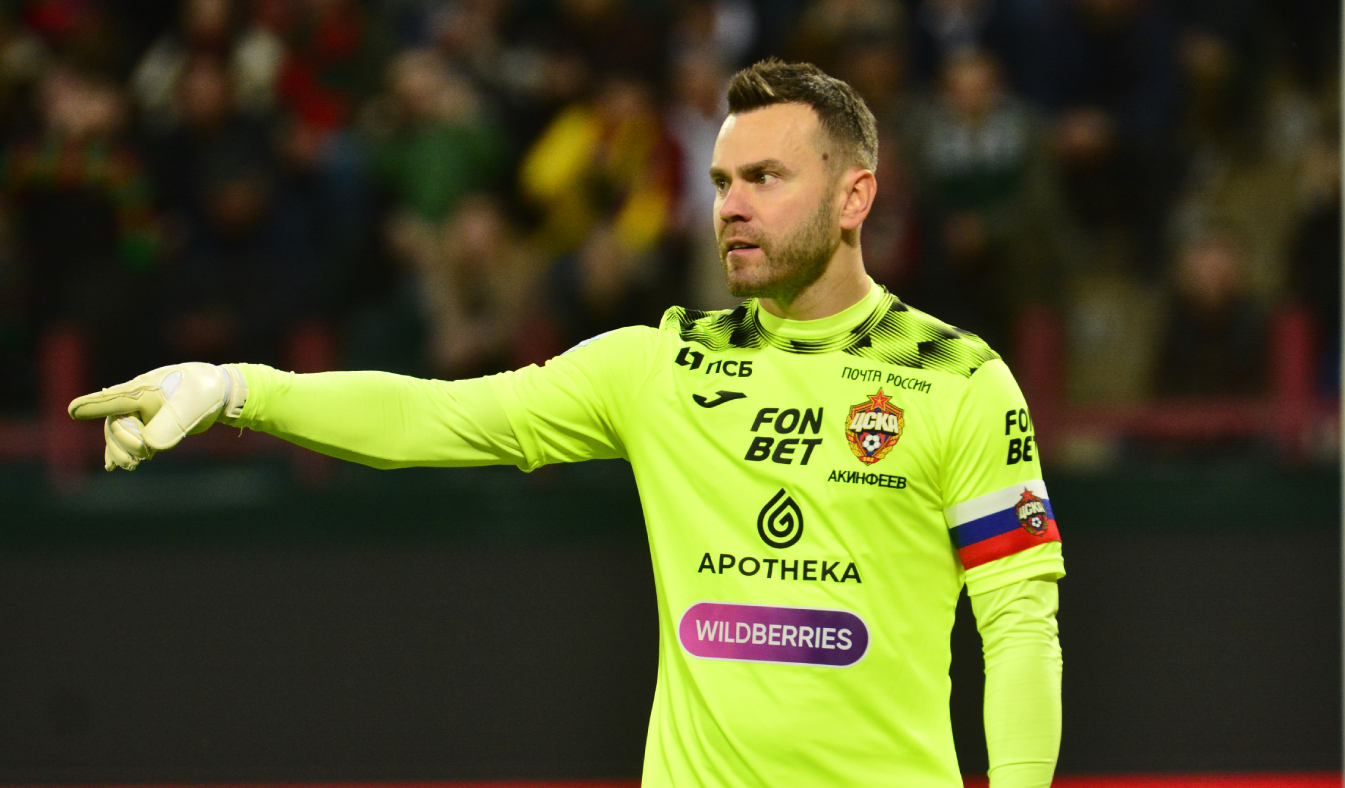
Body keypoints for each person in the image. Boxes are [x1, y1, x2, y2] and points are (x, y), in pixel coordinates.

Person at [68, 59, 1063, 788]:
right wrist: (235, 387)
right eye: (721, 182)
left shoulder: (959, 379)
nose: (731, 207)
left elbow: (1019, 625)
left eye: (765, 178)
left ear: (854, 196)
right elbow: (439, 415)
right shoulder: (661, 364)